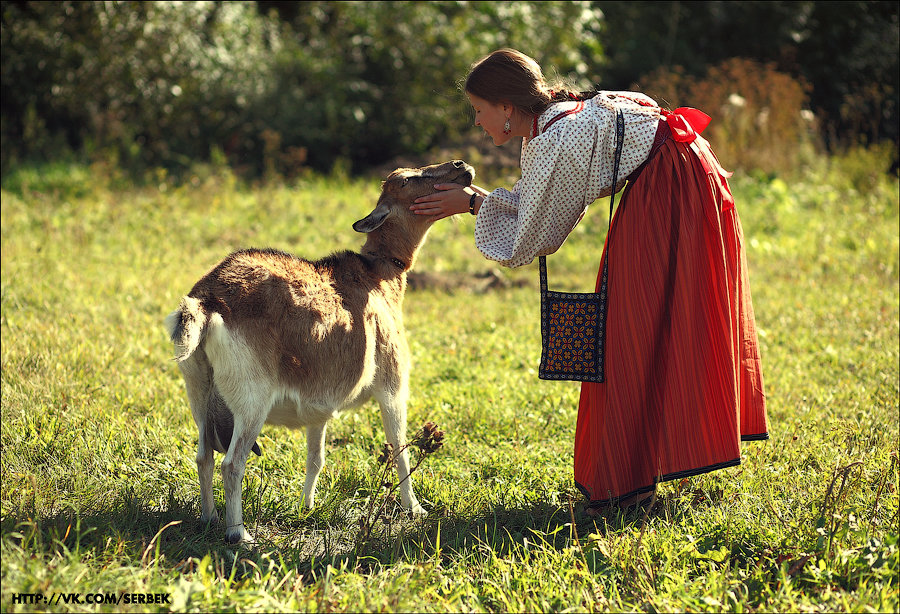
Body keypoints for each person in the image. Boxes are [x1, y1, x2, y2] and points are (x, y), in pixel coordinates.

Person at [410, 49, 769, 513]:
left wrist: (473, 204)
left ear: (505, 106)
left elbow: (532, 236)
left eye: (479, 110)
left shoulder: (556, 138)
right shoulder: (555, 122)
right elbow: (534, 205)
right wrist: (475, 198)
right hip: (684, 176)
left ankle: (629, 481)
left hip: (671, 188)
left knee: (629, 327)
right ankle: (640, 471)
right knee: (644, 318)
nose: (477, 122)